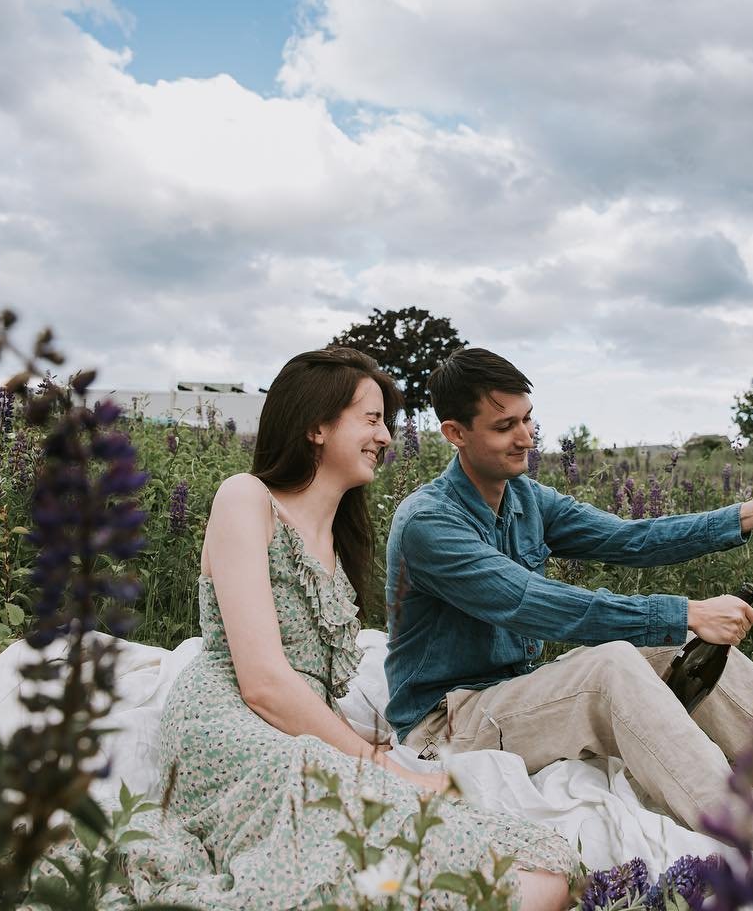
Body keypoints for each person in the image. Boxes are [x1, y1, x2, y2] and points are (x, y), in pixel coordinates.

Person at [383, 348, 753, 899]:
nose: (525, 438)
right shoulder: (430, 524)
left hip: (513, 698)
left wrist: (744, 515)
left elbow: (627, 538)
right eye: (504, 426)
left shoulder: (524, 498)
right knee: (616, 663)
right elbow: (537, 602)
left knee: (679, 647)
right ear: (454, 433)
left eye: (527, 419)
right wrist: (684, 611)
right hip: (447, 724)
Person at [114, 348, 576, 910]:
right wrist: (371, 760)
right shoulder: (247, 497)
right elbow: (261, 680)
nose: (386, 437)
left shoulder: (338, 536)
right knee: (365, 826)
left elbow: (309, 680)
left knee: (533, 871)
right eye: (372, 418)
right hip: (226, 719)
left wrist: (360, 744)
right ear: (315, 425)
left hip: (289, 728)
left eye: (385, 421)